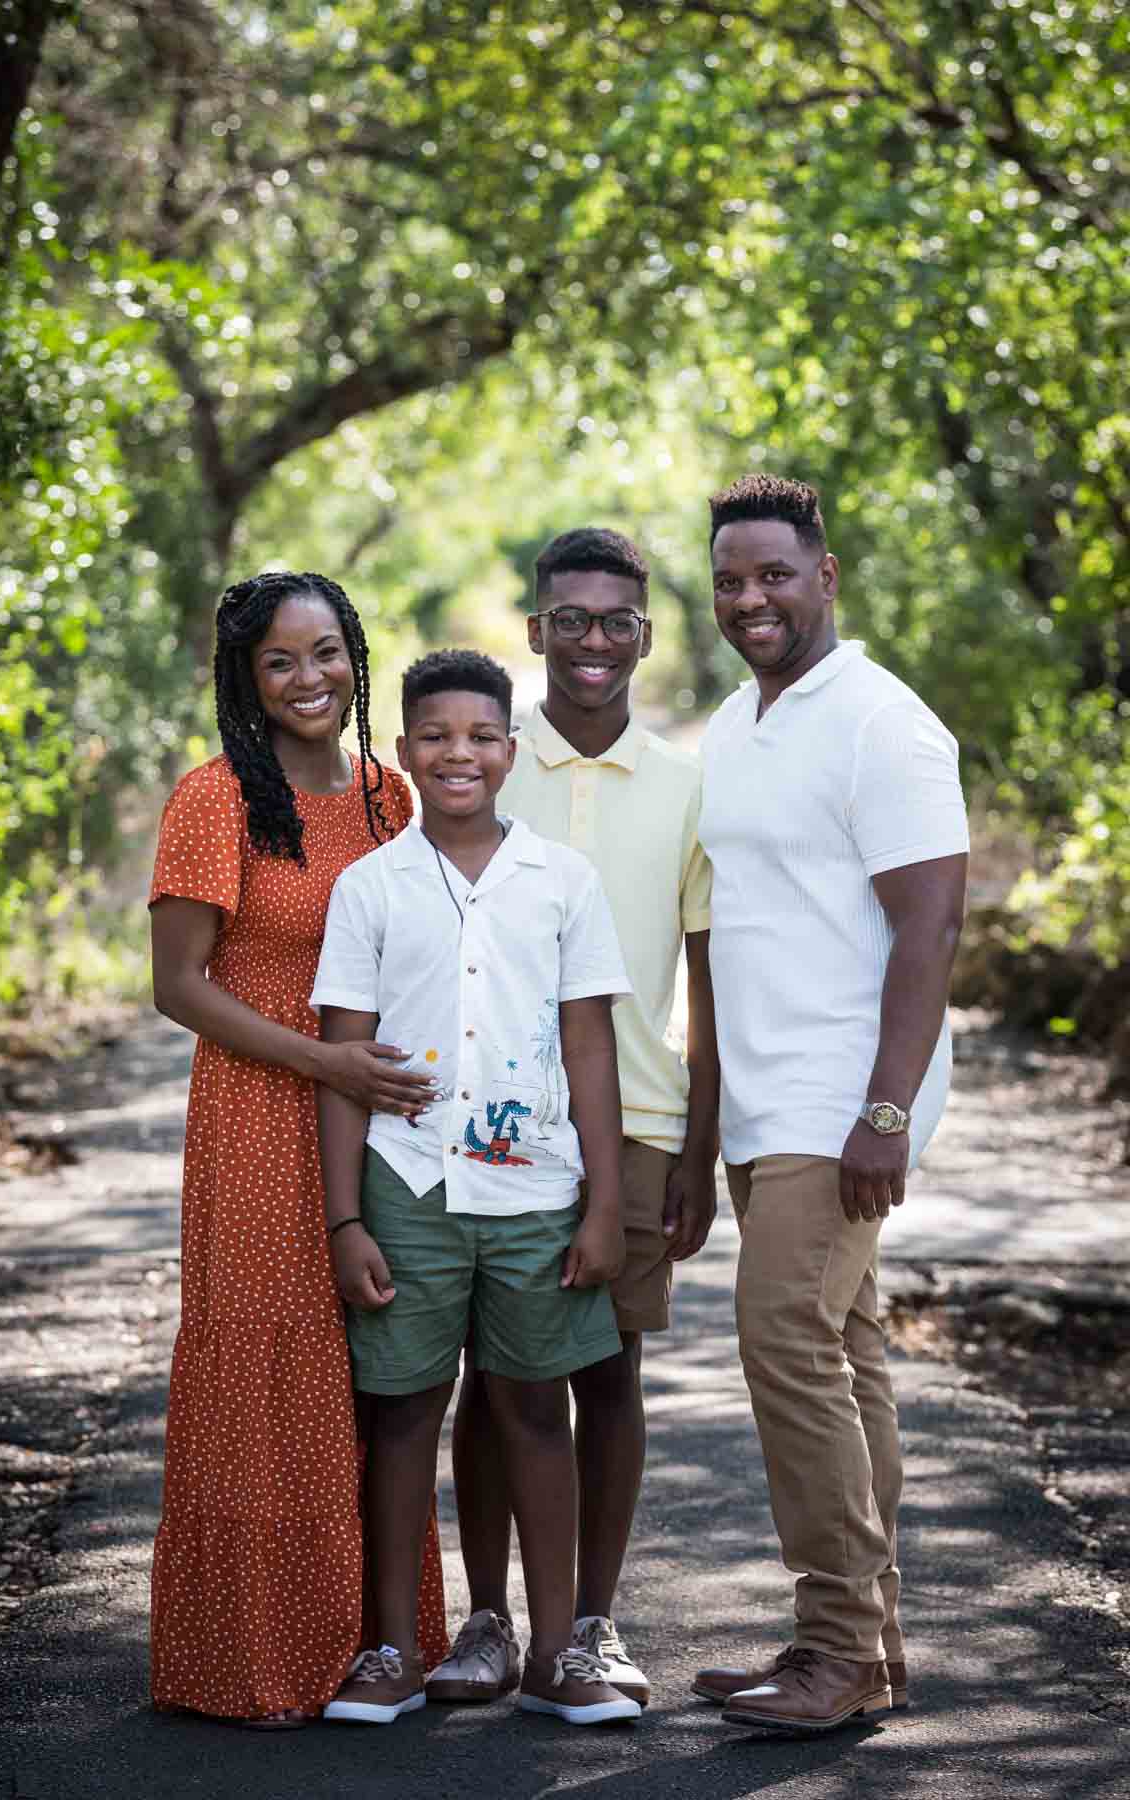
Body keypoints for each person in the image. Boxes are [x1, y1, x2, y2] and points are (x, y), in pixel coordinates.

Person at [312, 648, 642, 1728]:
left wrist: (601, 1199)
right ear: (405, 752)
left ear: (512, 750)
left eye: (482, 736)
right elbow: (343, 1059)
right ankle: (393, 1649)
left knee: (534, 1408)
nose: (460, 753)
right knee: (403, 1411)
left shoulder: (561, 880)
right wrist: (347, 1216)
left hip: (535, 1189)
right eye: (438, 736)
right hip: (407, 1186)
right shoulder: (371, 887)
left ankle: (557, 1655)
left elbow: (589, 1045)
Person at [691, 475, 968, 1733]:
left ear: (827, 574)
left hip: (843, 1097)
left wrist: (887, 1112)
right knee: (846, 1355)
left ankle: (840, 1644)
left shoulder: (882, 723)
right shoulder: (736, 725)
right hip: (764, 1096)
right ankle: (860, 1646)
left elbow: (931, 924)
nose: (751, 598)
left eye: (774, 576)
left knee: (785, 1342)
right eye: (731, 580)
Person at [148, 570, 448, 1727]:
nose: (310, 679)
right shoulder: (216, 798)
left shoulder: (390, 795)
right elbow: (178, 987)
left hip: (383, 1117)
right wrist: (321, 1062)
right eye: (281, 662)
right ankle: (253, 1661)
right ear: (247, 679)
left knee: (378, 1370)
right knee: (272, 1364)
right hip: (259, 1114)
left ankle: (381, 1643)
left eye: (326, 653)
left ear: (355, 653)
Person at [432, 529, 719, 1711]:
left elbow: (711, 975)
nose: (594, 641)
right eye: (571, 619)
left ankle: (592, 1625)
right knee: (490, 1379)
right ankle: (488, 1622)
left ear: (644, 636)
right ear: (536, 627)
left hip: (637, 1122)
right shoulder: (484, 761)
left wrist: (698, 1145)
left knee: (609, 1372)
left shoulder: (689, 784)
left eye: (619, 622)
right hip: (485, 1118)